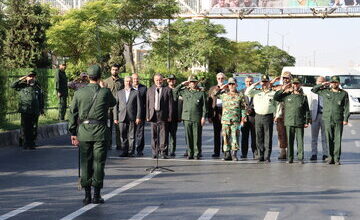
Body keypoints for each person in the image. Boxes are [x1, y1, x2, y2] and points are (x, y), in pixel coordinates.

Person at [69, 64, 116, 205]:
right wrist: (103, 87)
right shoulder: (105, 92)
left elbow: (72, 113)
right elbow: (113, 103)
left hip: (83, 131)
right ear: (100, 76)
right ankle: (97, 195)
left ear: (87, 77)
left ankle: (87, 195)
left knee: (85, 163)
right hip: (100, 132)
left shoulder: (79, 93)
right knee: (98, 163)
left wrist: (72, 132)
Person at [311, 76, 350, 165]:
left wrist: (346, 119)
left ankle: (337, 158)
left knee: (337, 139)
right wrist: (322, 84)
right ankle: (330, 157)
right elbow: (313, 90)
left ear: (339, 83)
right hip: (327, 119)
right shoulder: (326, 91)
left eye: (336, 82)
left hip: (338, 119)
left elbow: (347, 107)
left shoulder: (344, 93)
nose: (334, 84)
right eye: (332, 82)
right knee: (329, 138)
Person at [274, 78, 311, 164]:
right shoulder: (287, 95)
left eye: (297, 84)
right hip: (289, 121)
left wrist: (306, 121)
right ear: (292, 85)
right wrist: (283, 89)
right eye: (294, 84)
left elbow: (307, 110)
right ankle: (290, 158)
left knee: (300, 141)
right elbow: (276, 97)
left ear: (300, 85)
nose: (295, 85)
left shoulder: (303, 97)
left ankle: (300, 158)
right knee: (290, 141)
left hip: (299, 121)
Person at [245, 75, 279, 163]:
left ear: (269, 83)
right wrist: (255, 84)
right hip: (258, 116)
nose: (264, 84)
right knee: (258, 136)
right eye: (263, 82)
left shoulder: (273, 93)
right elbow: (247, 92)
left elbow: (277, 105)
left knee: (268, 137)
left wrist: (277, 115)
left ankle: (267, 156)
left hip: (268, 116)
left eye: (266, 82)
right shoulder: (256, 92)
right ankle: (260, 155)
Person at [174, 75, 207, 160]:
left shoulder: (201, 93)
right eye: (191, 82)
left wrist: (203, 117)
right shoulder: (184, 91)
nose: (193, 83)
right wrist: (182, 84)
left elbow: (204, 107)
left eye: (194, 82)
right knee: (188, 137)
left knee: (197, 136)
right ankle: (190, 153)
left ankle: (197, 153)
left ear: (197, 82)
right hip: (186, 117)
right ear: (189, 83)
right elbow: (174, 91)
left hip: (197, 117)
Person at [212, 78, 246, 161]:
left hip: (236, 120)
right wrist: (221, 88)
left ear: (236, 85)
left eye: (233, 84)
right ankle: (227, 154)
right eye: (230, 84)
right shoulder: (224, 94)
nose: (231, 86)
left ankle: (234, 154)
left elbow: (243, 108)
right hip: (225, 120)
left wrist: (243, 119)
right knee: (225, 137)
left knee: (235, 137)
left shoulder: (240, 95)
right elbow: (214, 94)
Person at [11, 71, 44, 150]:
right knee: (25, 127)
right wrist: (22, 78)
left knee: (34, 127)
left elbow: (41, 98)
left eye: (33, 76)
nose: (32, 78)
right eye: (30, 76)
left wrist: (42, 109)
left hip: (35, 110)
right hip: (25, 110)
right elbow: (12, 85)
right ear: (27, 77)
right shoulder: (22, 86)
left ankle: (32, 143)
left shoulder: (37, 86)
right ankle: (25, 142)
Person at [113, 76, 142, 157]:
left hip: (132, 117)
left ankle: (131, 151)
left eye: (129, 81)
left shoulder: (136, 92)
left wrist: (138, 117)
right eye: (126, 81)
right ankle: (124, 151)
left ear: (132, 82)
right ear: (124, 82)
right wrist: (115, 118)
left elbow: (139, 106)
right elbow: (115, 106)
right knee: (122, 135)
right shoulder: (119, 92)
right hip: (121, 117)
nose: (128, 83)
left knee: (132, 135)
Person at [146, 74, 173, 159]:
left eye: (160, 80)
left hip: (163, 115)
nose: (158, 81)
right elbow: (147, 104)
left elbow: (170, 104)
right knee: (154, 134)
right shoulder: (150, 90)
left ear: (163, 80)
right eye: (157, 80)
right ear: (154, 80)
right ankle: (155, 152)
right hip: (153, 114)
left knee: (163, 134)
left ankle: (163, 152)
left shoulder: (167, 90)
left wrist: (170, 115)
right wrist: (147, 115)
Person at [270, 71, 292, 160]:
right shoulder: (278, 87)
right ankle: (283, 151)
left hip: (290, 113)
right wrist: (274, 80)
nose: (286, 80)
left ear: (290, 78)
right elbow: (267, 86)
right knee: (281, 133)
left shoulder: (293, 87)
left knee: (289, 133)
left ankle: (290, 151)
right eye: (284, 78)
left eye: (287, 78)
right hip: (279, 114)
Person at [308, 76, 328, 161]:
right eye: (319, 81)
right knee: (314, 137)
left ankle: (325, 154)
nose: (320, 83)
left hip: (325, 116)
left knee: (325, 137)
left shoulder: (327, 91)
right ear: (316, 82)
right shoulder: (313, 91)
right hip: (315, 115)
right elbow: (309, 104)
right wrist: (309, 117)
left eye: (322, 81)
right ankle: (314, 154)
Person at [103, 64, 124, 150]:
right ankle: (108, 144)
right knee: (108, 127)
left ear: (118, 71)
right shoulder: (106, 81)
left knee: (118, 127)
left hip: (118, 108)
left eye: (116, 70)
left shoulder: (122, 81)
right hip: (108, 108)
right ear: (110, 70)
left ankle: (119, 144)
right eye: (113, 69)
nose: (114, 71)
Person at [208, 72, 227, 158]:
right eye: (219, 78)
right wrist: (209, 115)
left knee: (225, 134)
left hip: (225, 113)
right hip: (216, 113)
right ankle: (216, 152)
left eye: (222, 78)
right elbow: (209, 102)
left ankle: (225, 151)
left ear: (224, 79)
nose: (220, 80)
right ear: (216, 79)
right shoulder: (212, 88)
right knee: (216, 134)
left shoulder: (228, 88)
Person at [240, 76, 257, 159]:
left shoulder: (256, 91)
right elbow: (240, 104)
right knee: (244, 136)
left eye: (250, 81)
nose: (249, 83)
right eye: (247, 81)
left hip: (254, 117)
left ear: (253, 82)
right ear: (245, 82)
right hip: (245, 117)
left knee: (255, 136)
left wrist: (252, 109)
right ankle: (244, 153)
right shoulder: (241, 92)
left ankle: (255, 153)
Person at [132, 73, 148, 156]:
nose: (136, 80)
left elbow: (146, 102)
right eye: (134, 79)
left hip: (141, 114)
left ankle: (139, 150)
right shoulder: (128, 88)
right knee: (131, 133)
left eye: (137, 78)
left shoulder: (144, 88)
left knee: (140, 133)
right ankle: (131, 149)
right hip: (130, 114)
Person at [167, 74, 182, 157]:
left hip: (174, 116)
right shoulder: (165, 89)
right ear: (167, 80)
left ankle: (172, 150)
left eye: (173, 80)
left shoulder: (179, 91)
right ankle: (164, 149)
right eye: (170, 79)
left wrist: (179, 116)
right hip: (166, 116)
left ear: (175, 81)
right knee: (164, 135)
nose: (171, 81)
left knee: (173, 135)